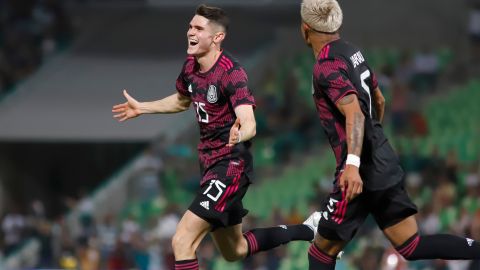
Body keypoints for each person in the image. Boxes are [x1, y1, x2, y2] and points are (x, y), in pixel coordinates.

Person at [112, 4, 319, 269]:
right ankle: (308, 230)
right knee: (235, 250)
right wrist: (143, 107)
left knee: (182, 240)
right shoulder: (191, 66)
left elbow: (250, 123)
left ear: (217, 37)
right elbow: (181, 100)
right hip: (209, 166)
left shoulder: (231, 73)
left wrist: (239, 133)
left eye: (198, 28)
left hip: (230, 166)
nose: (190, 32)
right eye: (190, 26)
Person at [299, 0, 480, 269]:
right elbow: (379, 99)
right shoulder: (353, 52)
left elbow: (356, 114)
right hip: (382, 161)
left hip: (357, 172)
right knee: (411, 244)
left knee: (320, 253)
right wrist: (374, 142)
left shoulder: (325, 65)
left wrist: (353, 163)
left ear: (305, 30)